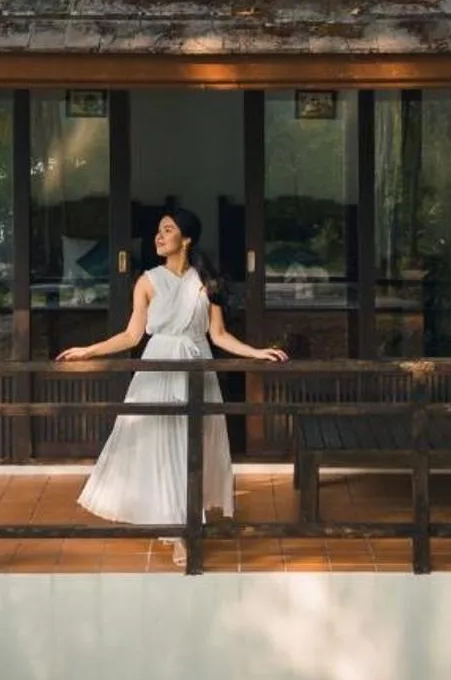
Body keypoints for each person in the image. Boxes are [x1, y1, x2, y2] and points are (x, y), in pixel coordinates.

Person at [58, 207, 286, 564]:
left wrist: (257, 352)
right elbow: (132, 335)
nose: (159, 236)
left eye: (167, 230)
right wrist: (90, 350)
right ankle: (178, 530)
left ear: (187, 238)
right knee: (164, 445)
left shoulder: (205, 281)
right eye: (158, 230)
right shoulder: (147, 281)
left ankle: (185, 521)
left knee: (190, 446)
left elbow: (219, 335)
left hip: (197, 368)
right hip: (158, 369)